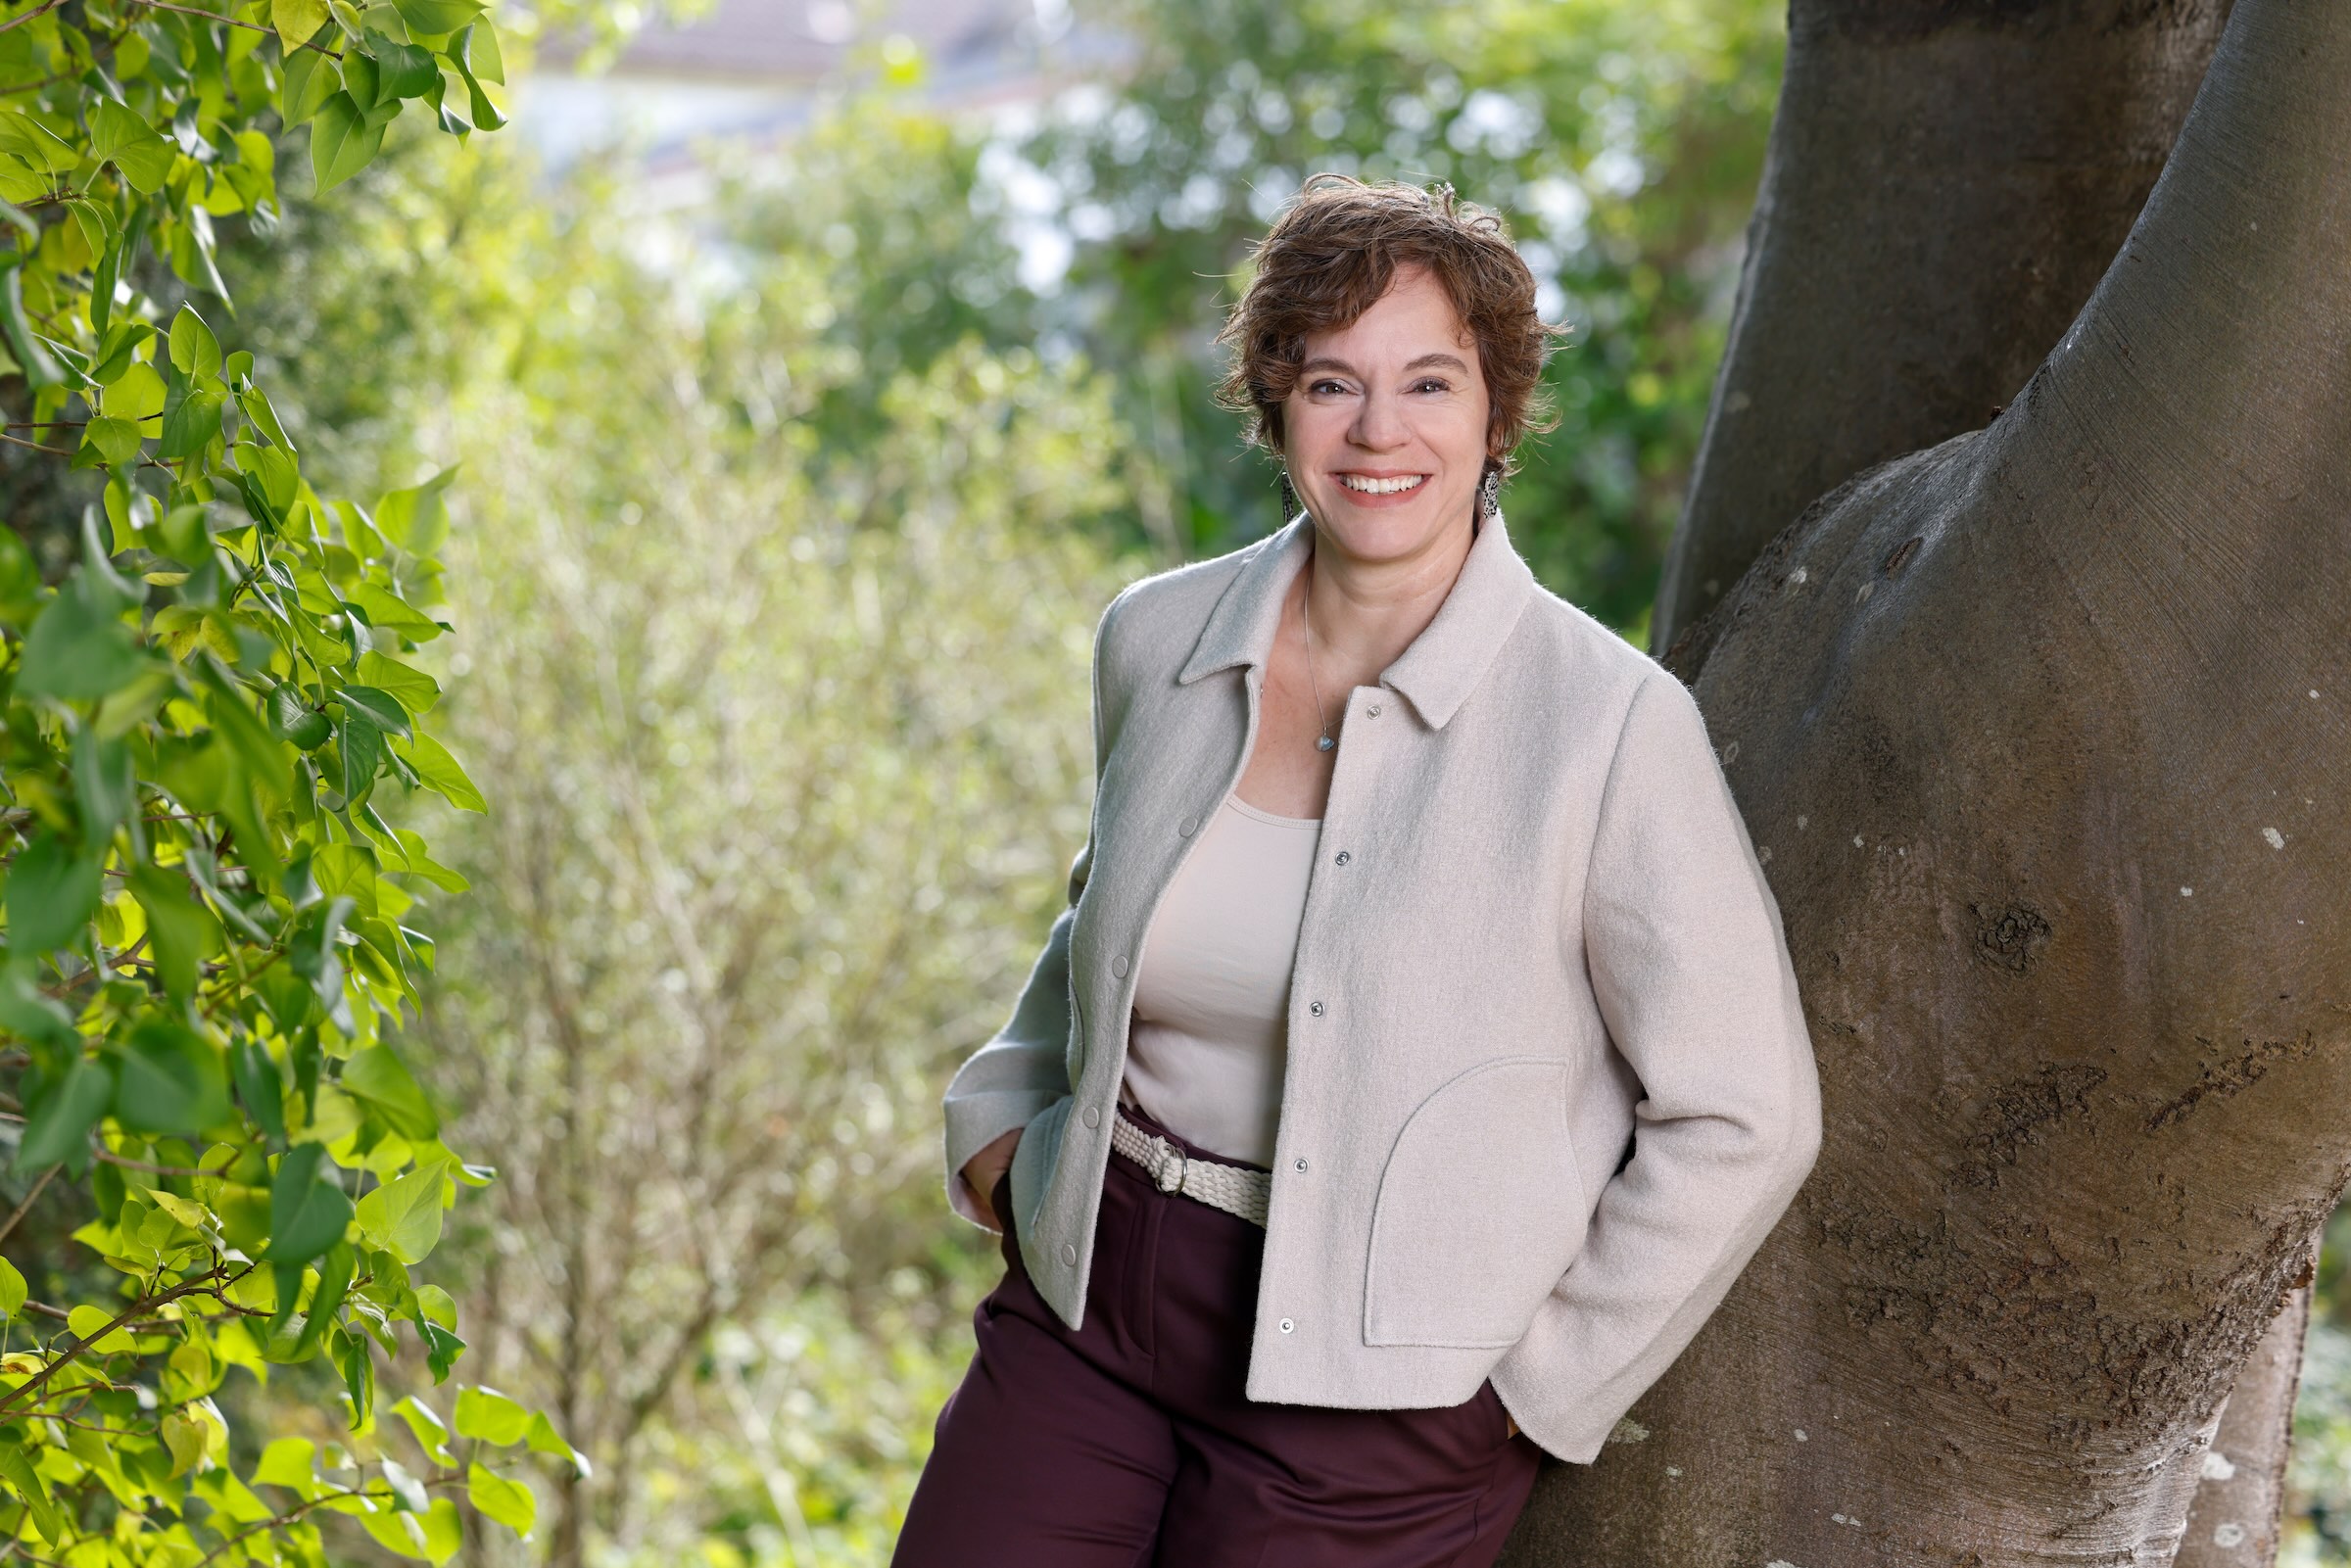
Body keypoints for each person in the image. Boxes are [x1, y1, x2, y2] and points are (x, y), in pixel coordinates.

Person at [893, 173, 1822, 1568]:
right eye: (1334, 382)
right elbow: (1112, 908)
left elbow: (1748, 1110)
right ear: (1277, 406)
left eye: (1430, 383)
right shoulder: (1157, 636)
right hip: (1096, 1292)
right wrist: (1004, 1105)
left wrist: (1529, 1386)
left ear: (1497, 416)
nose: (1380, 431)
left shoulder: (1609, 726)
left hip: (1379, 1395)